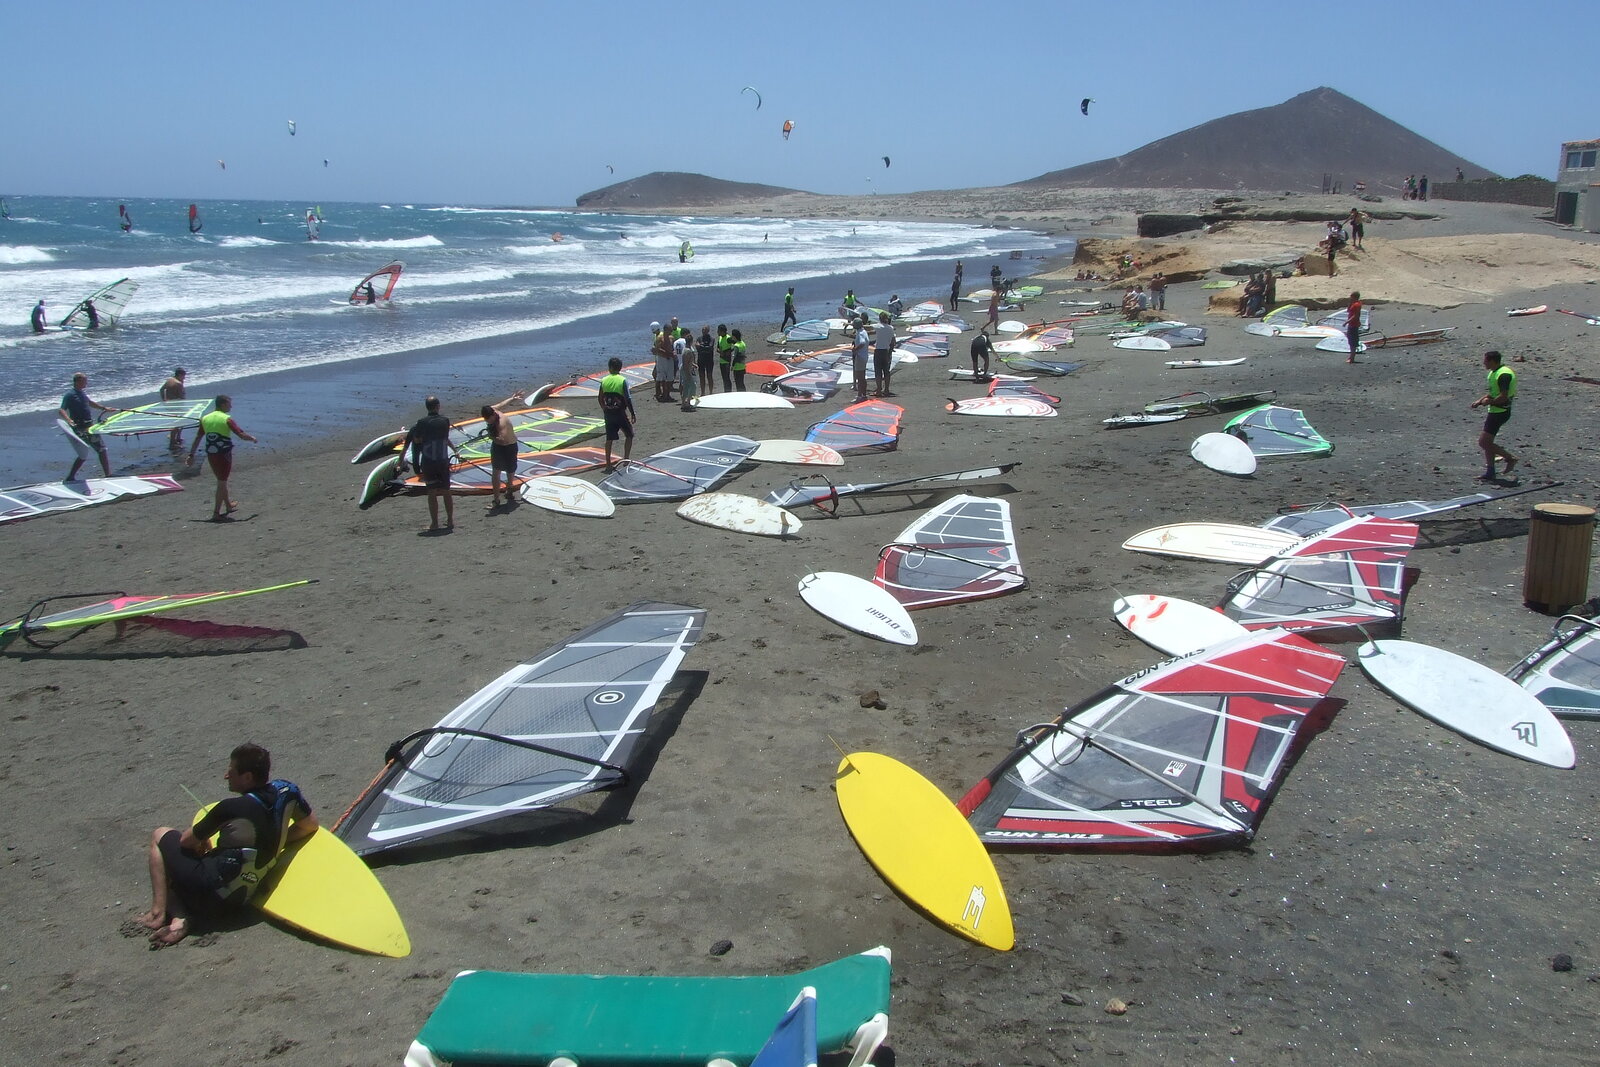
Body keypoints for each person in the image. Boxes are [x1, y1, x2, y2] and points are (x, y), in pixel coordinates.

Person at [137, 743, 316, 948]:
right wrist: (276, 840)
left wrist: (202, 839)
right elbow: (309, 825)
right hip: (243, 897)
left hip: (210, 893)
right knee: (185, 869)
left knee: (160, 836)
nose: (226, 775)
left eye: (231, 771)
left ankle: (157, 914)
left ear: (247, 777)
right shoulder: (288, 791)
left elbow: (185, 842)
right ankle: (180, 920)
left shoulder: (230, 808)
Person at [187, 394, 258, 521]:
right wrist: (252, 438)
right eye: (229, 404)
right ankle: (216, 513)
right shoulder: (227, 419)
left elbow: (198, 438)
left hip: (211, 453)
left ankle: (228, 505)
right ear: (223, 404)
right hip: (223, 454)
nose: (231, 406)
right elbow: (241, 434)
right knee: (222, 481)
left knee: (221, 479)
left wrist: (191, 454)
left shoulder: (205, 419)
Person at [399, 395, 454, 531]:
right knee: (447, 490)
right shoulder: (445, 421)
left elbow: (417, 440)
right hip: (442, 460)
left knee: (432, 492)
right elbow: (445, 438)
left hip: (429, 461)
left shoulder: (422, 422)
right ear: (438, 406)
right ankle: (450, 520)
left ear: (427, 407)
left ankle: (434, 523)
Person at [59, 371, 116, 480]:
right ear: (78, 381)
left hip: (90, 426)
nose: (86, 383)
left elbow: (90, 403)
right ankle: (71, 476)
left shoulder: (82, 393)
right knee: (83, 453)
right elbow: (62, 410)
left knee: (102, 449)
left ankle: (108, 474)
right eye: (84, 381)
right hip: (80, 427)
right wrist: (69, 420)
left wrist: (104, 408)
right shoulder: (70, 395)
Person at [1471, 350, 1518, 481]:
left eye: (1485, 360)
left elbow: (1503, 397)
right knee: (1488, 443)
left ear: (1492, 361)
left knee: (1484, 442)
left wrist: (1489, 402)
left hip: (1500, 413)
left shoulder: (1504, 375)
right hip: (1494, 411)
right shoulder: (1494, 373)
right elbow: (1493, 393)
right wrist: (1480, 401)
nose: (1483, 363)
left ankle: (1510, 458)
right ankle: (1490, 472)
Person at [481, 392, 528, 510]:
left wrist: (490, 436)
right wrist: (512, 399)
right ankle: (496, 500)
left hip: (509, 446)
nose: (487, 421)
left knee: (510, 470)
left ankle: (509, 490)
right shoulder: (492, 409)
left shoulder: (502, 423)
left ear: (493, 415)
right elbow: (502, 404)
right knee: (496, 472)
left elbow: (503, 441)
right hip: (498, 447)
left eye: (488, 419)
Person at [597, 357, 636, 469]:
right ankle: (626, 459)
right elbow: (627, 398)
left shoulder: (604, 380)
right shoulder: (622, 380)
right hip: (620, 412)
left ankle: (608, 464)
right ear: (620, 368)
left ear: (610, 368)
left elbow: (599, 397)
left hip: (608, 413)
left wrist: (604, 408)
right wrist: (632, 413)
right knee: (629, 434)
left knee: (609, 439)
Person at [160, 367, 188, 451]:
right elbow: (182, 397)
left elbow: (161, 390)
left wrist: (164, 400)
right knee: (178, 423)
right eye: (183, 376)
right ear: (180, 375)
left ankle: (177, 438)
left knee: (176, 422)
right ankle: (172, 443)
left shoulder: (170, 379)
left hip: (169, 404)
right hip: (177, 405)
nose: (184, 378)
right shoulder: (178, 383)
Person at [872, 312, 896, 398]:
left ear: (880, 318)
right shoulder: (891, 328)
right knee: (886, 371)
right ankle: (886, 389)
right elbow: (893, 341)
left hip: (878, 351)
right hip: (886, 351)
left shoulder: (878, 326)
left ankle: (879, 390)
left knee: (878, 371)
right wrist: (890, 351)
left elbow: (868, 327)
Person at [651, 323, 675, 403]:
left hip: (669, 359)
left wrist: (672, 354)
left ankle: (667, 394)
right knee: (661, 377)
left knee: (670, 378)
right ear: (665, 330)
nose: (671, 331)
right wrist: (666, 353)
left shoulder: (671, 338)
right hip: (662, 359)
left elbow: (672, 348)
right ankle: (659, 394)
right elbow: (656, 350)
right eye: (670, 330)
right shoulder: (659, 338)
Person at [675, 329, 697, 411]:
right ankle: (687, 403)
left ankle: (684, 403)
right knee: (692, 386)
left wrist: (693, 365)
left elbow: (687, 361)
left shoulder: (685, 349)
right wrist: (688, 373)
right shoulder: (688, 351)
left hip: (685, 368)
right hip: (686, 370)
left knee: (686, 387)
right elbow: (685, 363)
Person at [850, 316, 871, 402]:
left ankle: (860, 396)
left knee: (860, 377)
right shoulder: (863, 331)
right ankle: (863, 395)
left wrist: (855, 349)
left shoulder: (860, 333)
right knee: (862, 377)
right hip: (864, 356)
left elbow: (862, 343)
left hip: (860, 357)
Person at [1343, 291, 1363, 363]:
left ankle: (1352, 358)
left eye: (1351, 296)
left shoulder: (1357, 305)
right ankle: (1351, 357)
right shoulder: (1353, 304)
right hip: (1351, 324)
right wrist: (1349, 304)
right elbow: (1348, 311)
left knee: (1353, 341)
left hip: (1354, 324)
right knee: (1350, 339)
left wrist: (1347, 322)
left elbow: (1355, 315)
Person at [695, 325, 715, 396]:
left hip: (709, 360)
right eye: (702, 330)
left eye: (705, 330)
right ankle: (702, 392)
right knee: (701, 376)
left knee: (709, 376)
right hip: (701, 360)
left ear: (708, 330)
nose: (703, 331)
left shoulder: (711, 338)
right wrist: (702, 347)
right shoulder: (699, 338)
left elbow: (710, 348)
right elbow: (697, 347)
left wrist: (701, 346)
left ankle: (711, 392)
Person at [715, 323, 735, 392]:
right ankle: (725, 391)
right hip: (721, 360)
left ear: (722, 331)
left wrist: (729, 351)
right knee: (724, 378)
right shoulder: (720, 337)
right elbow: (717, 348)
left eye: (719, 331)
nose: (717, 332)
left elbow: (736, 344)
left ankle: (729, 391)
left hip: (727, 361)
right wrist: (720, 352)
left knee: (727, 377)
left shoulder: (728, 338)